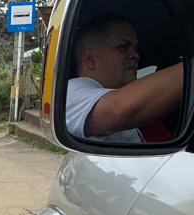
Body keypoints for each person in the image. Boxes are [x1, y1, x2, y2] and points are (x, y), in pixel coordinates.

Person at [66, 14, 184, 143]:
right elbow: (116, 111)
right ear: (90, 59)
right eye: (123, 47)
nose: (136, 55)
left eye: (136, 48)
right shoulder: (71, 91)